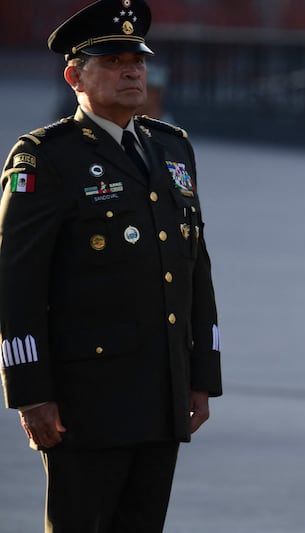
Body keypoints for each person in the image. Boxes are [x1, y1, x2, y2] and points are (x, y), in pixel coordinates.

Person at [0, 1, 222, 532]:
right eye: (114, 61)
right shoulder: (44, 158)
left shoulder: (171, 148)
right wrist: (31, 393)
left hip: (161, 393)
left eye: (138, 61)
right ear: (75, 75)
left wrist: (202, 375)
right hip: (87, 400)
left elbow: (195, 268)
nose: (132, 71)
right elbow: (17, 284)